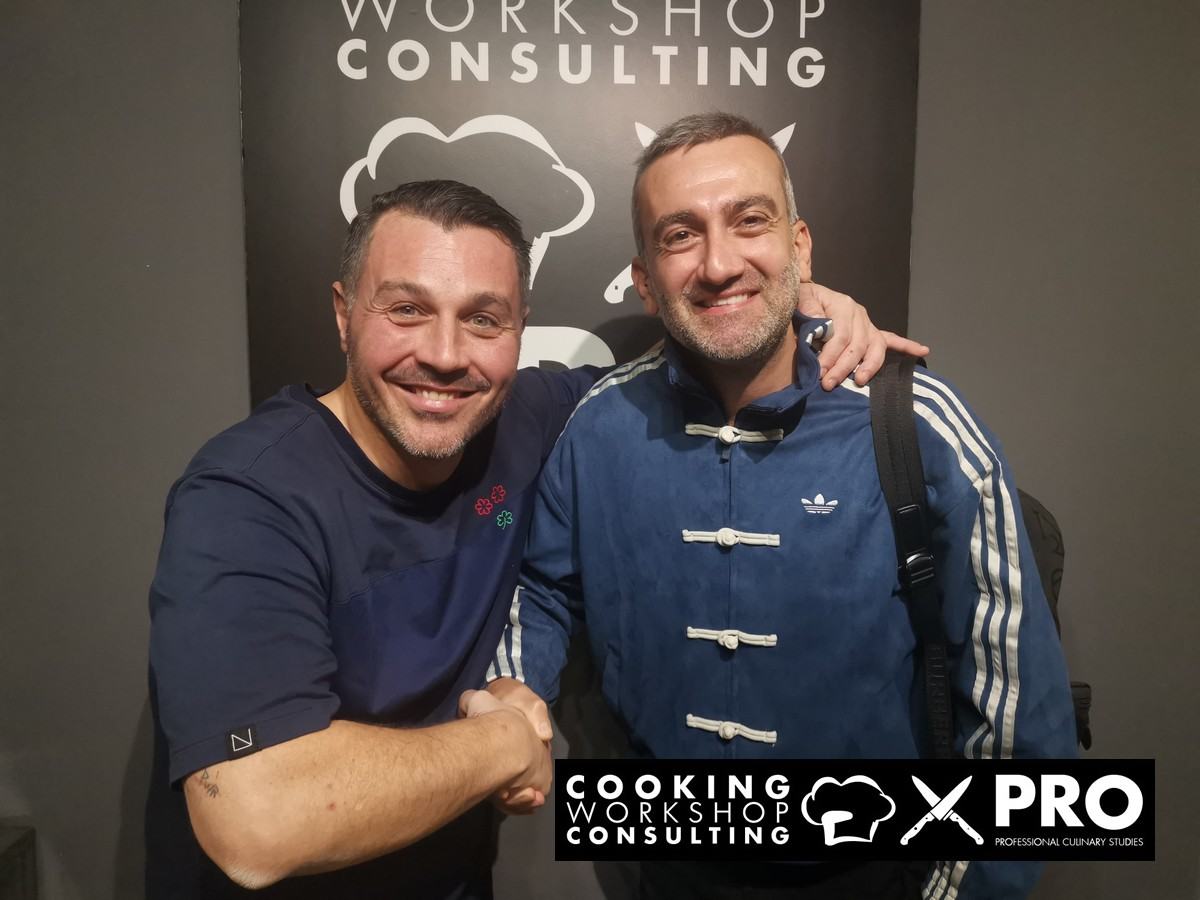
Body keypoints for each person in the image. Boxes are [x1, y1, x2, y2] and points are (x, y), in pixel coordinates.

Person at [145, 178, 920, 899]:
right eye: (406, 310)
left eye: (484, 319)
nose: (445, 355)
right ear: (344, 314)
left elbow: (697, 363)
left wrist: (796, 308)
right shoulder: (247, 496)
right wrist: (505, 745)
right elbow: (255, 822)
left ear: (520, 329)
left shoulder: (536, 417)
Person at [486, 113, 1077, 899]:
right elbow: (543, 588)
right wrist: (513, 690)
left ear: (799, 247)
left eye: (750, 221)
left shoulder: (919, 426)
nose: (719, 263)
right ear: (644, 280)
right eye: (680, 235)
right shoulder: (597, 428)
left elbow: (1016, 714)